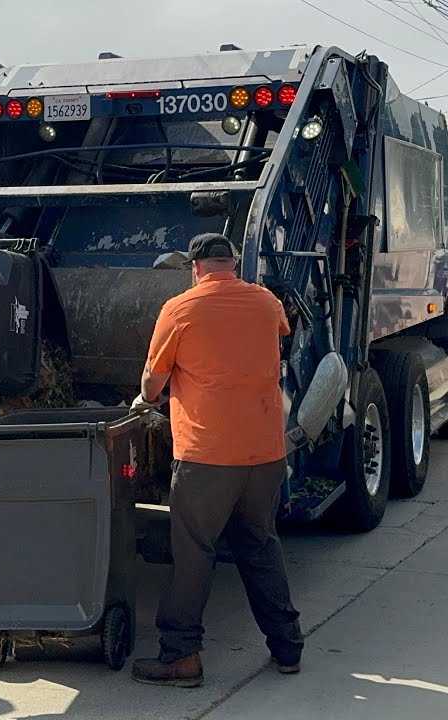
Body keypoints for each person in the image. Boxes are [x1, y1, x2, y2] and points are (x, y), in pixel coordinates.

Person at [129, 233, 304, 687]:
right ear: (233, 263)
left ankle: (182, 658)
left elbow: (153, 382)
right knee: (260, 544)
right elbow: (282, 333)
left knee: (193, 553)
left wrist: (147, 398)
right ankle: (287, 648)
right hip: (264, 453)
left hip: (207, 457)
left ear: (195, 267)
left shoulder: (180, 308)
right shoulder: (265, 302)